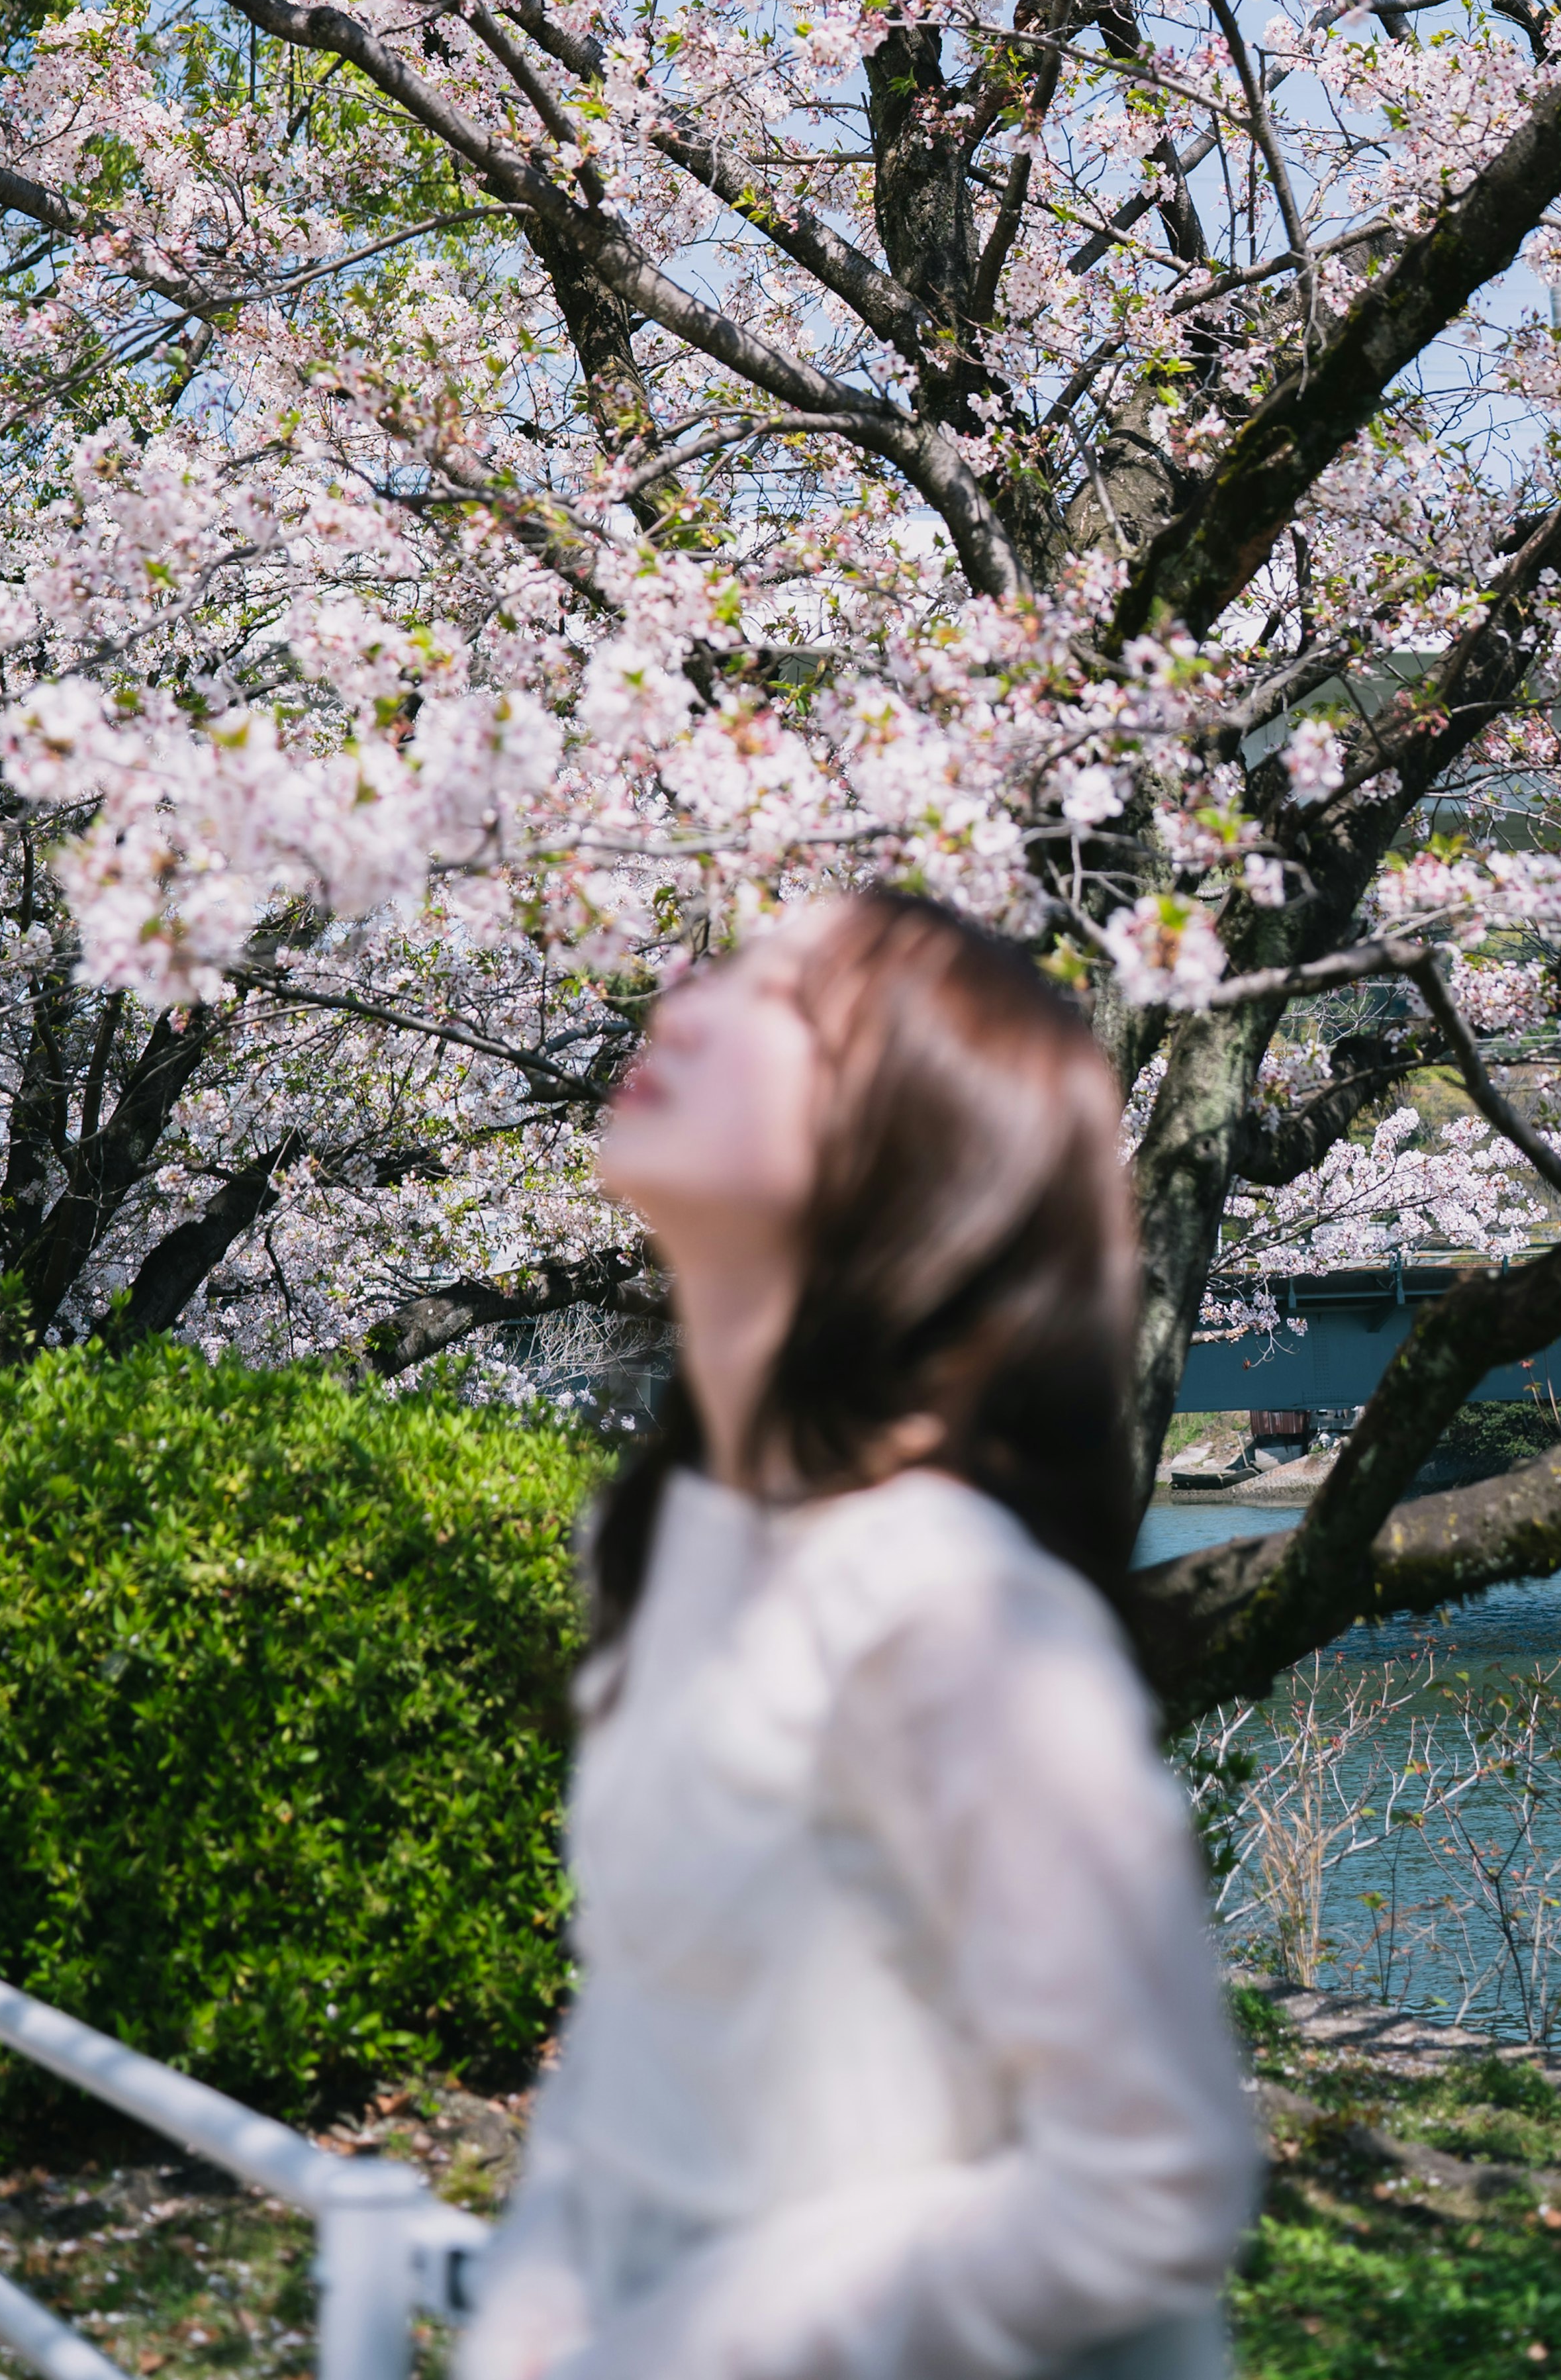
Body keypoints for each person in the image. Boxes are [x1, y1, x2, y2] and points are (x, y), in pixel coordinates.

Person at [459, 891, 1258, 2380]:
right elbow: (637, 2035)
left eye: (776, 992)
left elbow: (1155, 2183)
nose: (681, 994)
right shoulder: (662, 1545)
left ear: (915, 1142)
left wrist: (696, 2342)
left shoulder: (953, 1612)